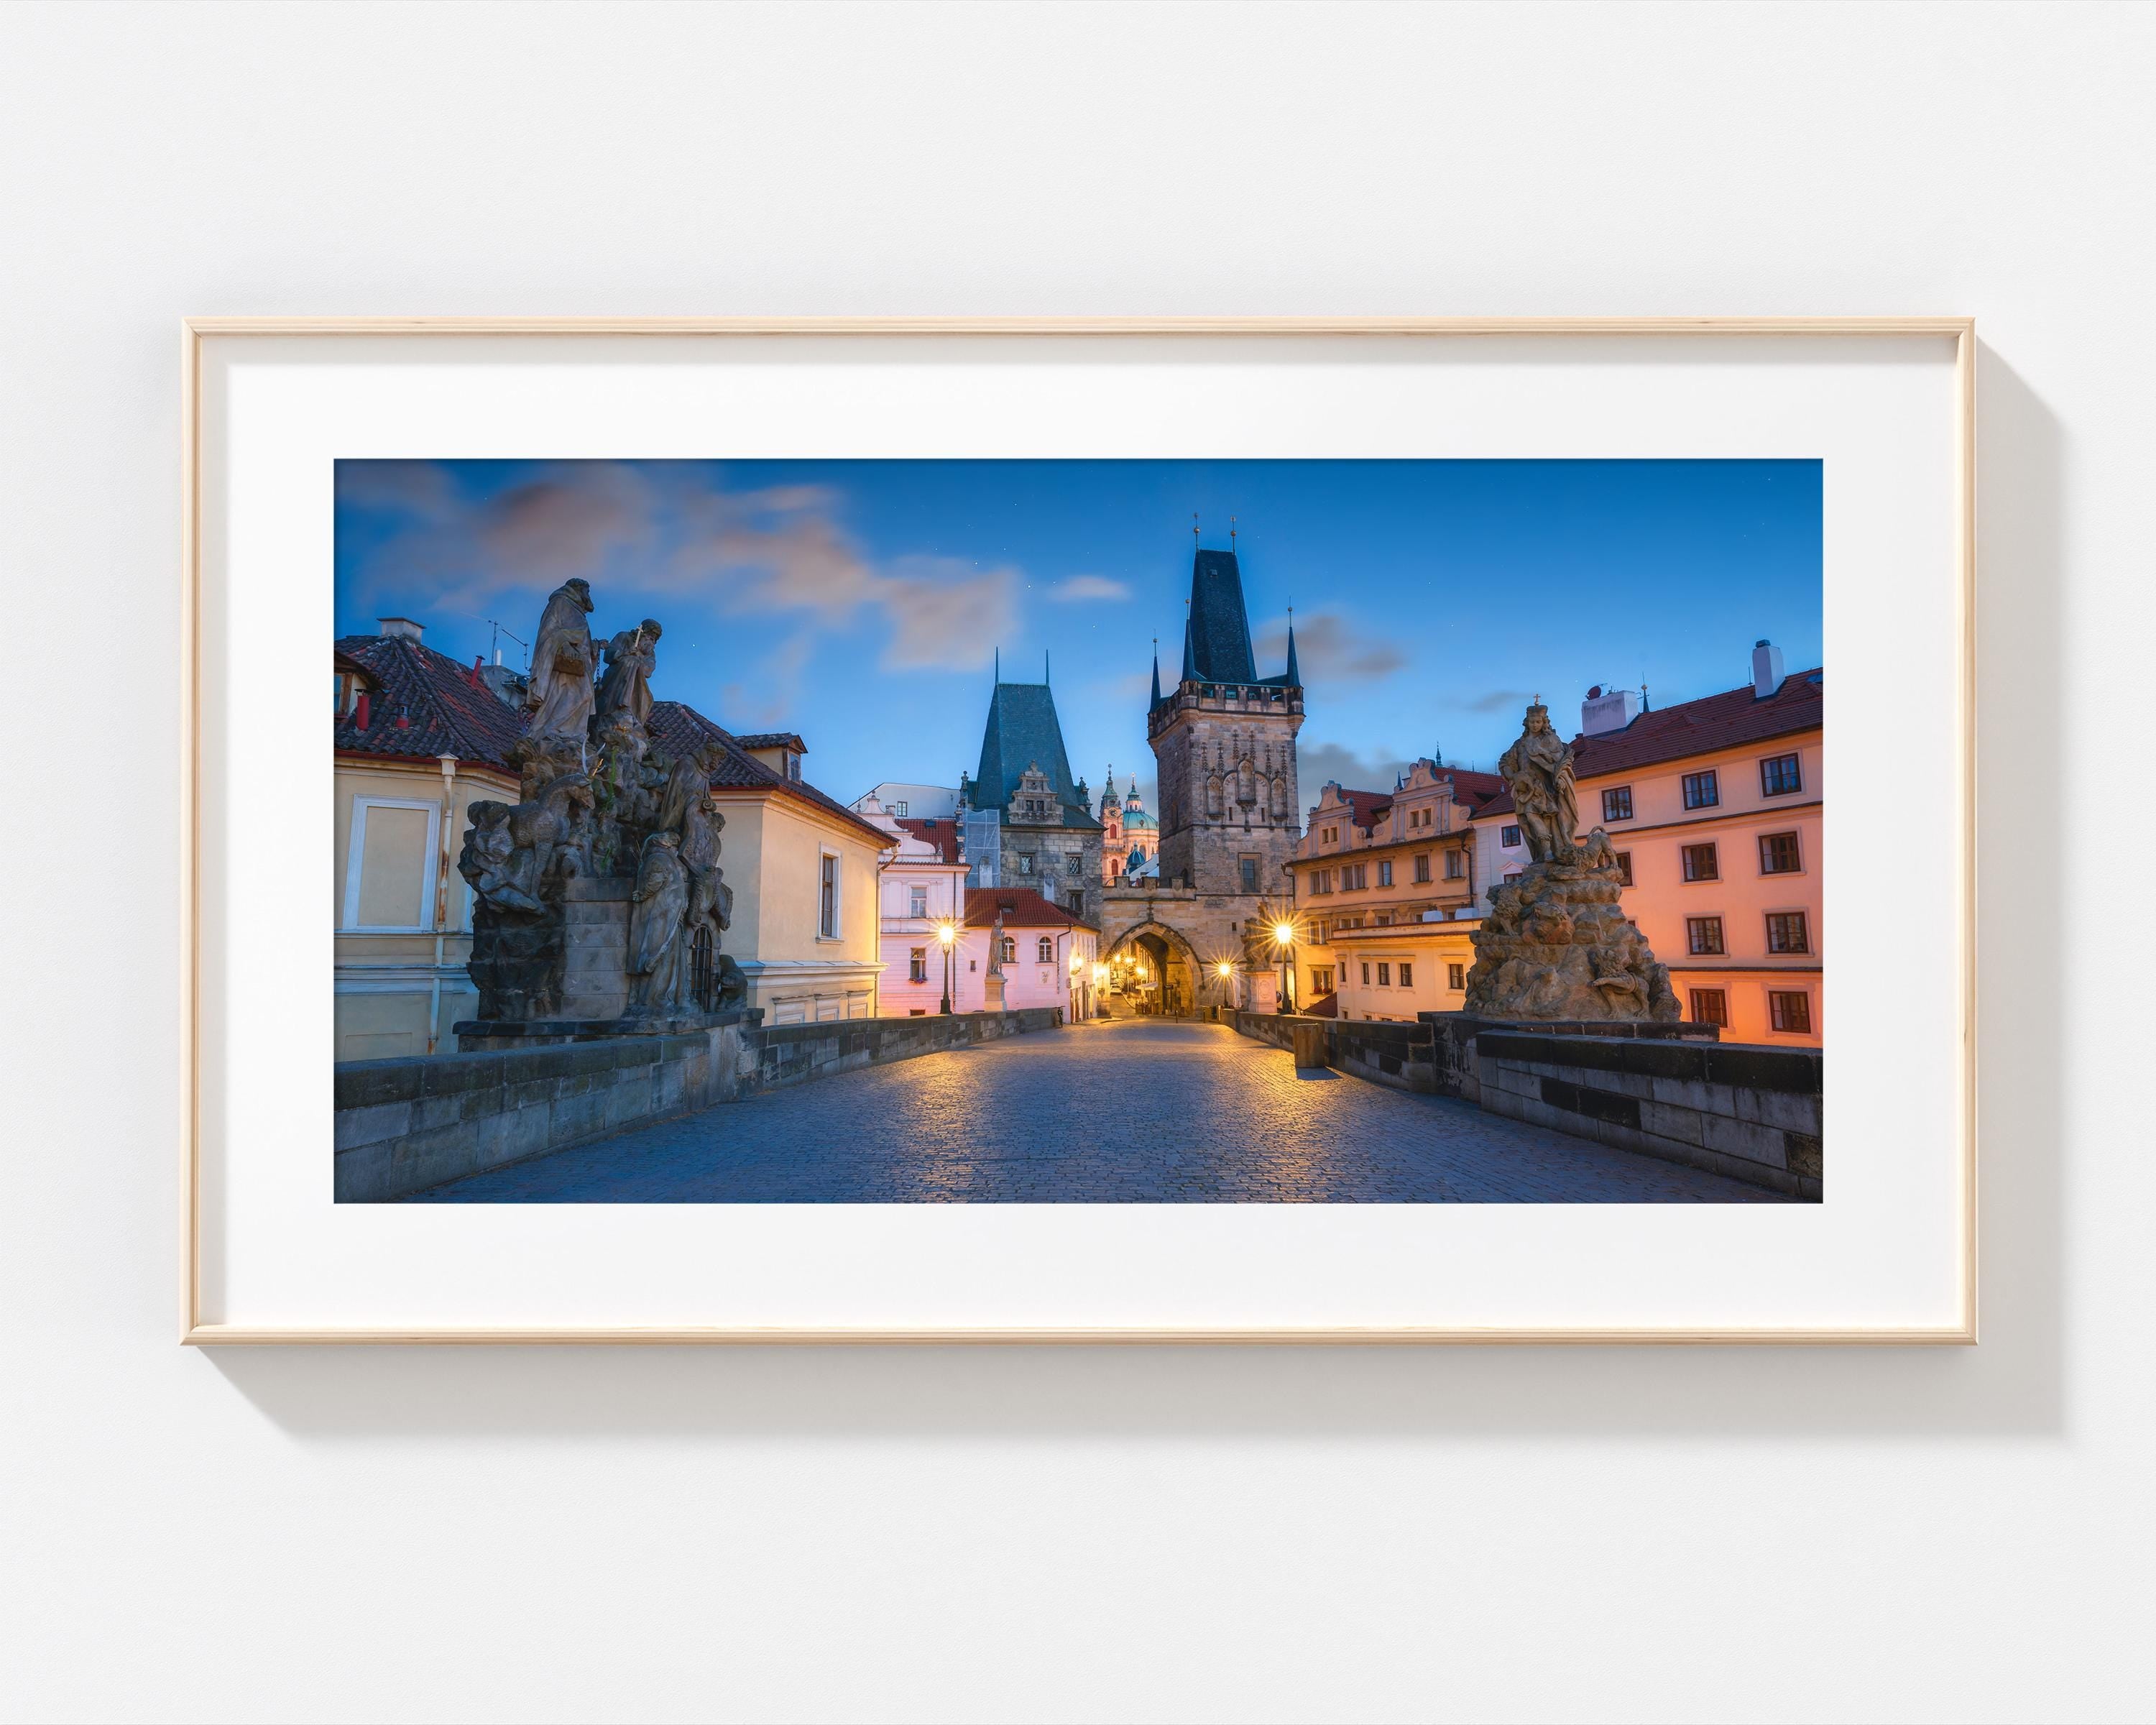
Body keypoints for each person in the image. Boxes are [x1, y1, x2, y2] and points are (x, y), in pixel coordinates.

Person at [524, 578, 596, 740]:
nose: (589, 595)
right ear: (578, 589)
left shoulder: (576, 610)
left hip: (580, 662)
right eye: (587, 591)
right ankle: (552, 729)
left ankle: (572, 733)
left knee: (584, 696)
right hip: (564, 663)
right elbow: (549, 631)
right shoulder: (561, 603)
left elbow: (583, 638)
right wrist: (565, 643)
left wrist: (595, 646)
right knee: (564, 695)